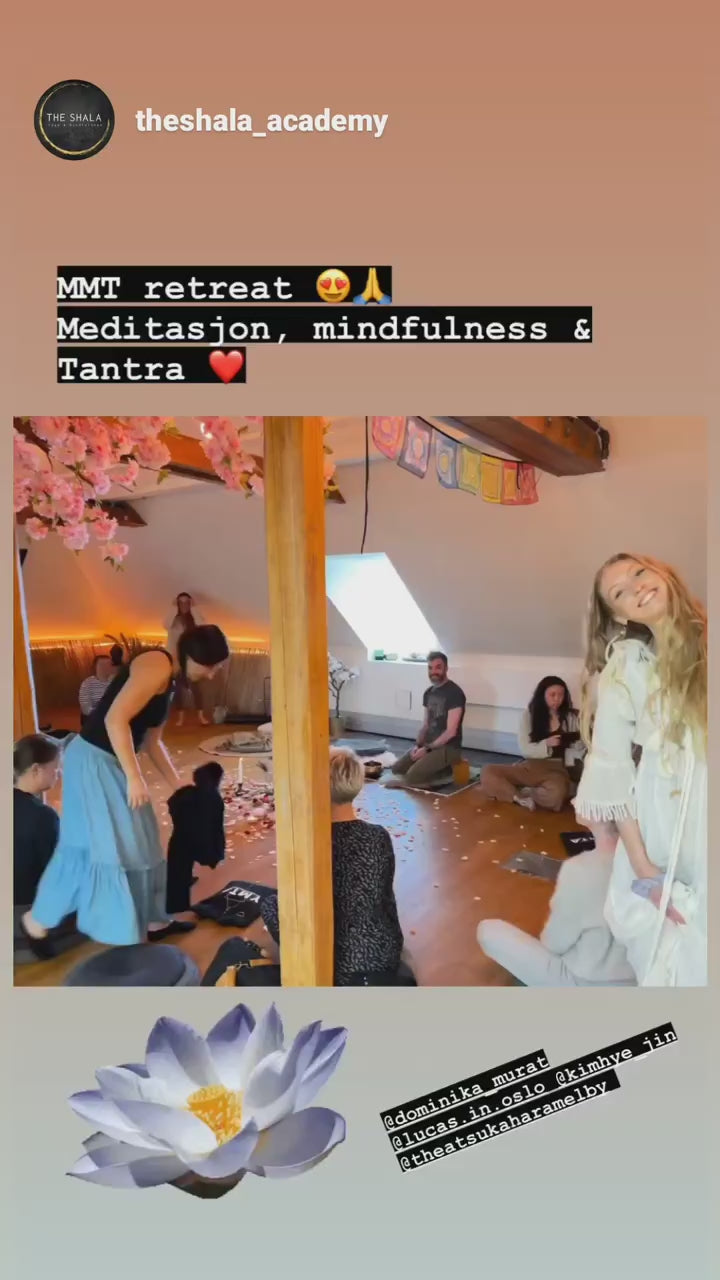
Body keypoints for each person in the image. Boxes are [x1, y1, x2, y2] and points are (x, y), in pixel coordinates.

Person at [20, 625, 231, 957]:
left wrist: (179, 786)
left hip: (111, 761)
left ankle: (155, 922)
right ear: (192, 655)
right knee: (99, 847)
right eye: (210, 665)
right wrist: (134, 777)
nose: (212, 673)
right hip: (93, 762)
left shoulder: (170, 680)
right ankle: (40, 921)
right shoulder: (157, 664)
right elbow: (114, 720)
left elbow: (152, 741)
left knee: (144, 839)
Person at [573, 553, 707, 987]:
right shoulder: (627, 666)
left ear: (661, 571)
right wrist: (643, 866)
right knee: (682, 944)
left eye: (639, 573)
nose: (637, 588)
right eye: (620, 592)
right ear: (619, 615)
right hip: (663, 816)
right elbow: (612, 773)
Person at [261, 747, 406, 984]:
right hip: (384, 952)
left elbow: (297, 900)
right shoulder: (379, 835)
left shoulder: (311, 841)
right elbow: (383, 895)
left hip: (330, 961)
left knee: (270, 902)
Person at [477, 850, 636, 986]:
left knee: (488, 931)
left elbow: (553, 944)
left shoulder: (580, 869)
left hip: (583, 983)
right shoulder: (645, 863)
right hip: (640, 978)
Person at [479, 676, 585, 813]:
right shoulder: (529, 715)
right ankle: (517, 796)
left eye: (561, 695)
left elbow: (580, 747)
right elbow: (525, 748)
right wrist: (546, 744)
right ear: (543, 695)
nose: (557, 699)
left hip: (556, 770)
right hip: (530, 767)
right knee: (488, 771)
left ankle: (529, 791)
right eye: (552, 695)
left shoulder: (571, 717)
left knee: (555, 796)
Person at [385, 651, 467, 789]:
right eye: (430, 668)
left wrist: (427, 750)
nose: (433, 671)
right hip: (429, 745)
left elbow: (451, 732)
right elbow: (425, 725)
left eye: (438, 667)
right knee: (397, 769)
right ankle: (434, 770)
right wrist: (418, 746)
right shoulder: (428, 693)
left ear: (446, 668)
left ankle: (446, 772)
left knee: (412, 777)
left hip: (448, 748)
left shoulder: (455, 693)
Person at [165, 761, 226, 914]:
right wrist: (216, 849)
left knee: (178, 868)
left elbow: (171, 803)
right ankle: (177, 907)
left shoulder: (185, 793)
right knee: (182, 868)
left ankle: (178, 900)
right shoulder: (214, 798)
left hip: (181, 836)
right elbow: (216, 826)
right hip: (201, 838)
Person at [13, 734, 61, 909]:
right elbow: (55, 872)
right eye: (54, 768)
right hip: (27, 909)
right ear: (36, 770)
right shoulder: (43, 816)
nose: (58, 774)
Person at [165, 592, 209, 727]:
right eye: (181, 602)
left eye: (186, 602)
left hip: (191, 657)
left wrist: (194, 607)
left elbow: (202, 624)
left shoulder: (194, 619)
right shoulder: (174, 619)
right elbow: (165, 625)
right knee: (178, 689)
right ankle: (180, 718)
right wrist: (173, 607)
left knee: (196, 688)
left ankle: (201, 717)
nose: (184, 605)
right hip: (176, 657)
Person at [78, 653, 114, 726]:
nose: (106, 667)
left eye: (108, 664)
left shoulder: (116, 682)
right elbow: (85, 707)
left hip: (115, 716)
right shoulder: (88, 683)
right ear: (95, 667)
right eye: (102, 665)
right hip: (96, 718)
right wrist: (101, 714)